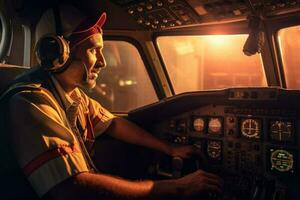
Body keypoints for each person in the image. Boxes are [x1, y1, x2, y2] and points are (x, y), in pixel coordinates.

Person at [2, 3, 223, 200]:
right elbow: (71, 190)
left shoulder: (73, 96)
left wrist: (170, 148)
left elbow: (114, 123)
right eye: (93, 50)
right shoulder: (30, 102)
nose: (102, 62)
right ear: (58, 53)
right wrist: (177, 189)